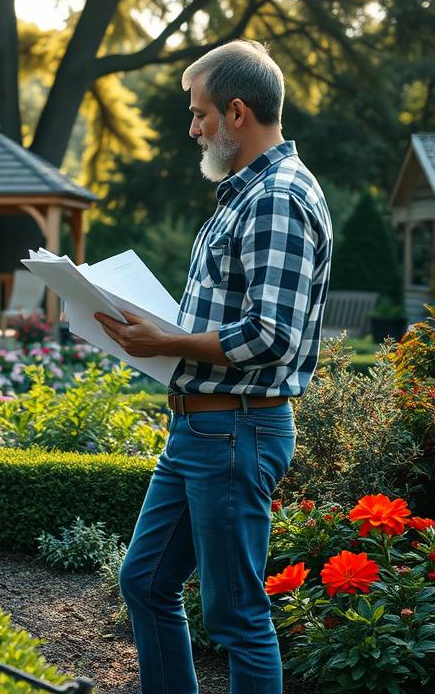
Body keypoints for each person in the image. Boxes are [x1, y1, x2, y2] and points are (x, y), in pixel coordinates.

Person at [94, 39, 332, 694]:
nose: (191, 128)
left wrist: (167, 343)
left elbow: (271, 336)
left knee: (237, 617)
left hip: (235, 431)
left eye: (198, 114)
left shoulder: (276, 199)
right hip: (201, 434)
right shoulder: (243, 193)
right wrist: (160, 331)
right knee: (144, 582)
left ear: (235, 112)